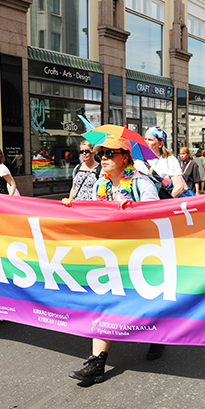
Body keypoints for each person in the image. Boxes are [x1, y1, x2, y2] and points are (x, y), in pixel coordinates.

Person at [66, 134, 160, 383]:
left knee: (144, 304)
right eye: (101, 154)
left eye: (110, 153)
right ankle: (97, 363)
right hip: (109, 255)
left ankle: (157, 335)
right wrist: (72, 206)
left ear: (125, 157)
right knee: (103, 303)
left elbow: (157, 216)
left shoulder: (142, 183)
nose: (103, 158)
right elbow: (94, 212)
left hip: (139, 256)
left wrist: (131, 207)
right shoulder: (101, 182)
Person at [135, 126, 187, 197]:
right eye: (145, 139)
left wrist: (164, 203)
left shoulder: (169, 160)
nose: (146, 142)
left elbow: (179, 188)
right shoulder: (139, 161)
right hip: (143, 203)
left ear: (160, 144)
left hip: (162, 204)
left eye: (150, 140)